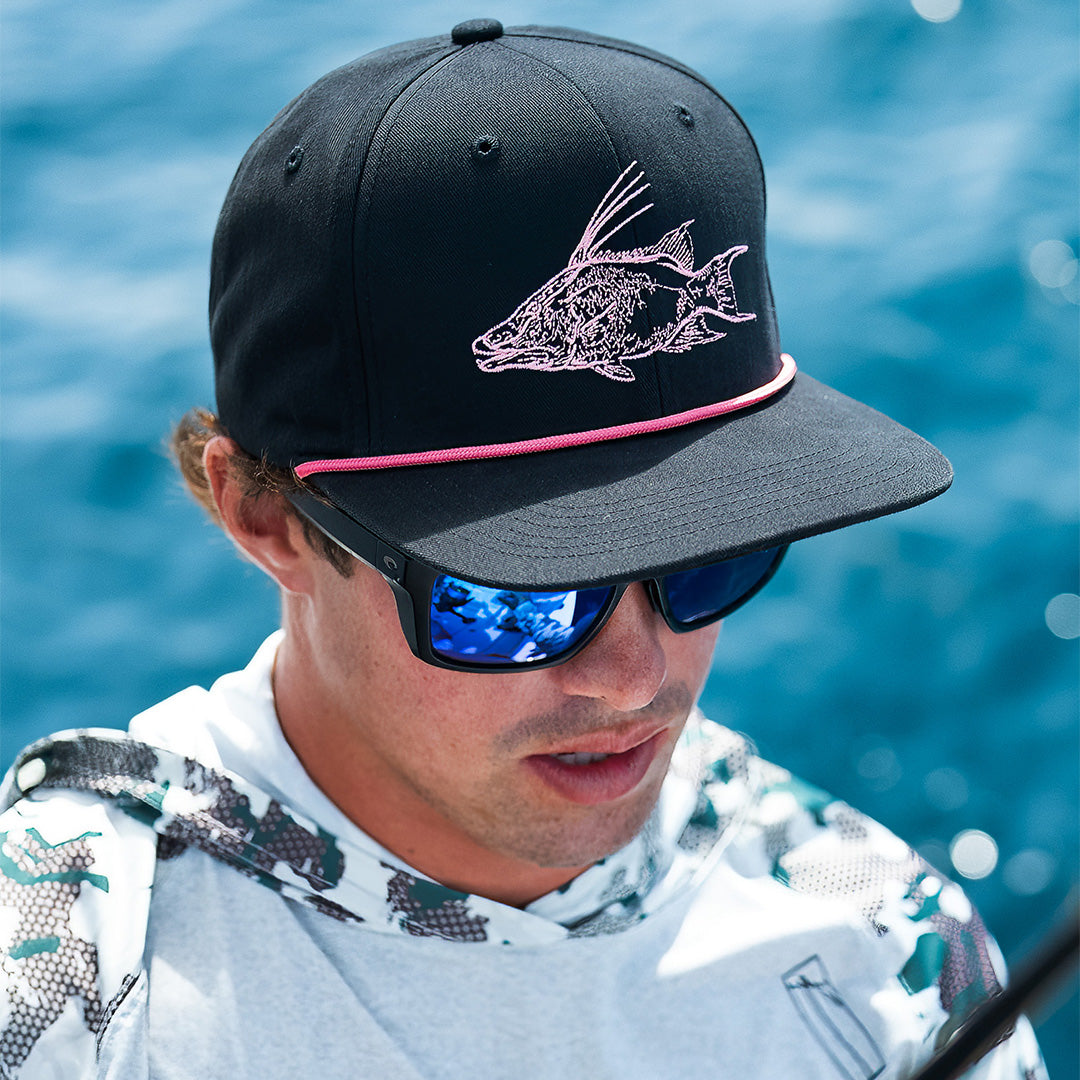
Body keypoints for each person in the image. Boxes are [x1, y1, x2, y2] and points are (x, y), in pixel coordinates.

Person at [0, 19, 1048, 1080]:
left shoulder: (895, 950)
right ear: (266, 520)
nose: (635, 679)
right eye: (515, 595)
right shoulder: (54, 974)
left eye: (707, 564)